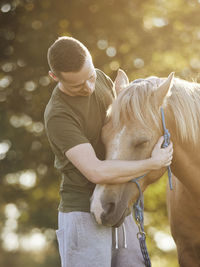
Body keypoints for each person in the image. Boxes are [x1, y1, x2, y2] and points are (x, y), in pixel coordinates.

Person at [44, 36, 173, 267]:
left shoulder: (101, 78)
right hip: (82, 214)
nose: (89, 87)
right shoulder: (59, 115)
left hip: (118, 205)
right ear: (55, 77)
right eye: (78, 85)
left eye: (90, 76)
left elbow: (123, 129)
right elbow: (96, 171)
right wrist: (153, 163)